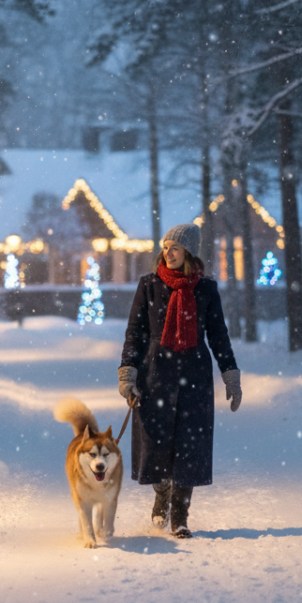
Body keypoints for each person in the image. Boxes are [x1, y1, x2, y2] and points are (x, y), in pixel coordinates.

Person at [117, 223, 241, 538]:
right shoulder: (149, 285)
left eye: (174, 247)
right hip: (155, 375)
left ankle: (180, 516)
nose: (168, 253)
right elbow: (135, 333)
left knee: (190, 447)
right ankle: (162, 494)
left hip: (195, 377)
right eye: (166, 247)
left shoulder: (206, 289)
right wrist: (127, 373)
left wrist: (230, 375)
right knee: (155, 444)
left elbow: (219, 336)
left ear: (188, 251)